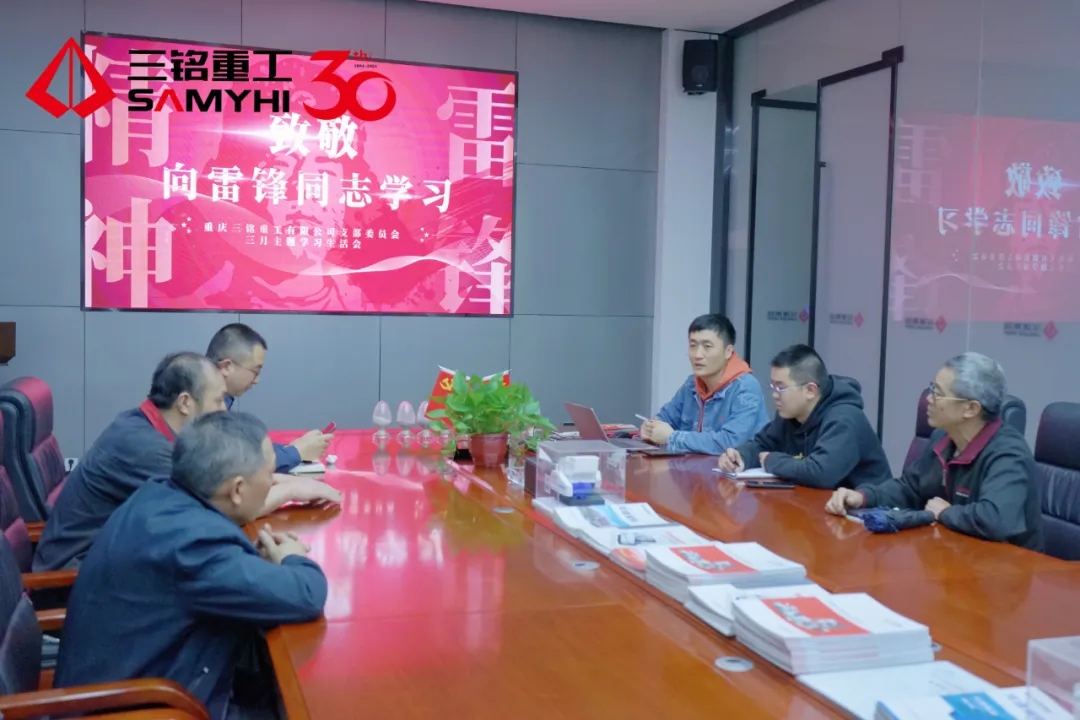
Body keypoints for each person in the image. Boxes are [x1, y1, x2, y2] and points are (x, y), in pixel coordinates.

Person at [55, 411, 328, 720]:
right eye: (270, 474)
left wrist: (252, 563)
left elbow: (204, 576)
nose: (274, 482)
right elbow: (305, 595)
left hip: (140, 684)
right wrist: (293, 557)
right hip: (144, 709)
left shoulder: (159, 494)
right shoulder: (195, 544)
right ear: (237, 490)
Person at [34, 352, 340, 572]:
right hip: (76, 578)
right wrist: (291, 491)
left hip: (113, 560)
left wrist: (290, 481)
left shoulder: (145, 426)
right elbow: (224, 509)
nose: (224, 411)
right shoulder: (146, 449)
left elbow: (226, 483)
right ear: (185, 403)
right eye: (218, 401)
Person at [825, 352, 1044, 550]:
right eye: (932, 389)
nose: (929, 399)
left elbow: (997, 519)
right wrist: (862, 496)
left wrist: (946, 513)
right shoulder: (944, 439)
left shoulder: (1008, 454)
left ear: (971, 408)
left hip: (1006, 569)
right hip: (955, 553)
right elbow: (909, 488)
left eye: (938, 393)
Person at [717, 344, 891, 489]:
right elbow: (763, 444)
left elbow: (821, 473)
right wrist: (740, 456)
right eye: (773, 386)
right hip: (818, 505)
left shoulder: (844, 418)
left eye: (781, 388)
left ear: (810, 390)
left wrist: (773, 460)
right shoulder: (789, 414)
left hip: (867, 513)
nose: (774, 395)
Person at [207, 323, 332, 472]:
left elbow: (245, 449)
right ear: (227, 366)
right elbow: (237, 463)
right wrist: (296, 452)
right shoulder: (203, 404)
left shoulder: (219, 398)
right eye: (255, 372)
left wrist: (293, 448)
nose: (256, 380)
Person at [640, 314, 768, 455]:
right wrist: (650, 428)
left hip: (735, 468)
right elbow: (665, 419)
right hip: (695, 467)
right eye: (693, 346)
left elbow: (729, 443)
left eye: (707, 346)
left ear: (728, 352)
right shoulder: (692, 384)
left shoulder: (745, 388)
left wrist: (672, 437)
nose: (697, 355)